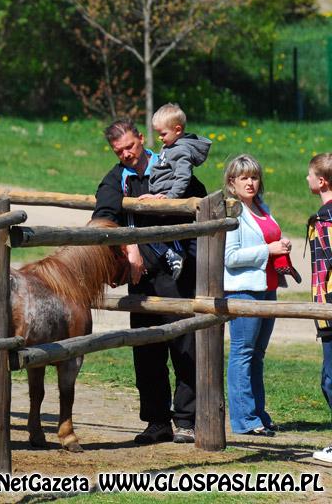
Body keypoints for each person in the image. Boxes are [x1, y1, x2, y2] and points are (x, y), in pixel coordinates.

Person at [93, 117, 206, 445]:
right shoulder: (117, 179)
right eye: (119, 151)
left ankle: (187, 420)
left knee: (185, 346)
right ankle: (157, 422)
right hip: (140, 277)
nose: (126, 154)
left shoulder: (171, 163)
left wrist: (165, 203)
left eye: (130, 146)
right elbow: (103, 217)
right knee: (147, 350)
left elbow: (198, 203)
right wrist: (129, 247)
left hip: (178, 271)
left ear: (142, 138)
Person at [223, 154, 292, 437]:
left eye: (254, 177)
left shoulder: (262, 208)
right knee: (243, 353)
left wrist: (281, 243)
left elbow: (268, 238)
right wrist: (269, 250)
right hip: (244, 291)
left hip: (268, 289)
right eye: (244, 178)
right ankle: (244, 420)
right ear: (232, 183)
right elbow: (230, 257)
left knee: (257, 355)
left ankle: (259, 414)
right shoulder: (233, 212)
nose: (250, 183)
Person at [138, 103, 211, 280]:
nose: (160, 138)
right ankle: (172, 253)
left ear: (177, 130)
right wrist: (154, 194)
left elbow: (182, 178)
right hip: (161, 195)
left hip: (169, 198)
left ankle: (175, 252)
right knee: (146, 228)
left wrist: (170, 197)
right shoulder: (169, 147)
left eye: (163, 134)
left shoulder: (181, 150)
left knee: (149, 229)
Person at [306, 153, 332, 462]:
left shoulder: (326, 219)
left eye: (310, 175)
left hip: (329, 308)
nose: (307, 180)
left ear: (321, 181)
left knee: (330, 379)